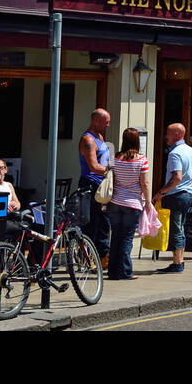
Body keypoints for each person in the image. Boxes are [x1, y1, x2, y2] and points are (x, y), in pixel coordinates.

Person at [152, 122, 192, 273]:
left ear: (177, 134)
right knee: (181, 227)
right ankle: (180, 261)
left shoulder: (175, 153)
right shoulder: (190, 150)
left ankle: (177, 263)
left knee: (176, 230)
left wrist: (161, 193)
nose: (165, 136)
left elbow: (176, 177)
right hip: (187, 194)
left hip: (176, 195)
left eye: (168, 133)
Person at [107, 128, 150, 281]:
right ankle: (125, 272)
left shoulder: (114, 158)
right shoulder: (141, 160)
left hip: (114, 202)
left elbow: (109, 177)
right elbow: (144, 183)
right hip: (132, 204)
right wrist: (148, 203)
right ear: (137, 141)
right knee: (126, 239)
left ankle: (112, 271)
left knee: (116, 237)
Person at [78, 108, 112, 268]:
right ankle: (86, 258)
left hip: (102, 185)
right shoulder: (88, 139)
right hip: (90, 185)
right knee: (91, 223)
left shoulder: (100, 136)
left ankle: (103, 256)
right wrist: (112, 170)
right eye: (106, 122)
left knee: (104, 223)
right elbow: (93, 166)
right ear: (96, 121)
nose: (108, 125)